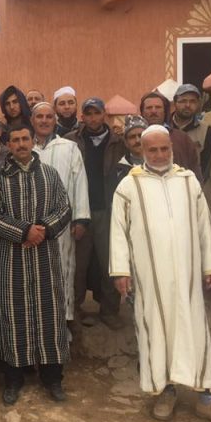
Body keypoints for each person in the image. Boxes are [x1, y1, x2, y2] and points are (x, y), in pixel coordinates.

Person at [109, 125, 211, 422]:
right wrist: (121, 270)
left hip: (187, 274)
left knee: (196, 331)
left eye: (164, 148)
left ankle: (207, 399)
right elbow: (118, 231)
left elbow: (204, 224)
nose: (159, 155)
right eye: (152, 150)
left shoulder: (188, 180)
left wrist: (210, 264)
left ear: (172, 148)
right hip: (150, 277)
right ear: (142, 150)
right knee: (157, 332)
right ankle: (165, 392)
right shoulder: (129, 185)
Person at [0, 124, 72, 405]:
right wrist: (24, 231)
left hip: (45, 256)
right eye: (15, 140)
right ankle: (13, 379)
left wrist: (42, 230)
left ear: (33, 141)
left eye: (25, 138)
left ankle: (53, 378)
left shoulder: (50, 174)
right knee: (13, 314)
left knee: (50, 314)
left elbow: (64, 208)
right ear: (8, 145)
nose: (21, 144)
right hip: (11, 258)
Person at [65, 98, 125, 329]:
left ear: (104, 115)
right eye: (88, 114)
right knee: (77, 265)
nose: (92, 118)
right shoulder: (71, 140)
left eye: (96, 113)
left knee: (109, 262)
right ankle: (74, 309)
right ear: (82, 117)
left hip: (107, 210)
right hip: (80, 211)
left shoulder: (118, 141)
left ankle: (110, 310)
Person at [31, 102, 90, 323]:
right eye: (39, 117)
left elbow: (80, 181)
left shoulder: (69, 147)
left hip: (63, 224)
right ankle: (38, 321)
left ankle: (63, 322)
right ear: (32, 121)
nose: (44, 120)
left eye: (49, 117)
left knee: (63, 269)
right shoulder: (25, 147)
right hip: (32, 225)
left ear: (55, 121)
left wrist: (81, 218)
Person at [139, 91, 203, 181]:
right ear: (142, 112)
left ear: (165, 111)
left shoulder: (182, 138)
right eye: (149, 108)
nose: (153, 111)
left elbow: (195, 169)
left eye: (158, 107)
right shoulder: (135, 138)